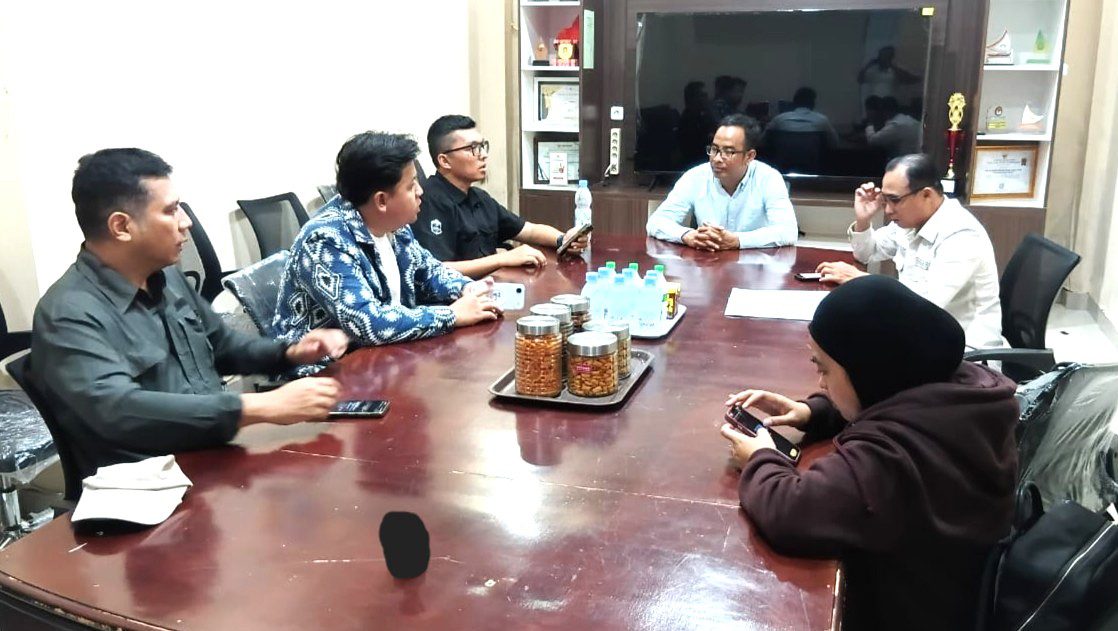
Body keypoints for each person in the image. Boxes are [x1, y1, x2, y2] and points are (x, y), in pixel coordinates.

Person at [718, 275, 1018, 631]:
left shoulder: (892, 457)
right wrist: (814, 412)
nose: (820, 382)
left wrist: (759, 458)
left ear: (868, 372)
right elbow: (889, 401)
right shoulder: (954, 389)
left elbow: (792, 510)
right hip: (948, 591)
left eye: (824, 368)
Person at [31, 148, 348, 482]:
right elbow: (118, 409)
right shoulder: (68, 313)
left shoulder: (166, 277)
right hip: (147, 488)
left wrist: (290, 353)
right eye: (171, 211)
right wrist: (260, 407)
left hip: (215, 458)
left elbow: (223, 346)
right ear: (121, 226)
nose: (186, 222)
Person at [274, 131, 501, 363]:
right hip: (323, 370)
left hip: (382, 357)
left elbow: (428, 271)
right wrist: (452, 314)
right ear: (381, 200)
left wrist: (466, 289)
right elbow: (368, 323)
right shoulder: (325, 240)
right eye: (411, 186)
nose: (420, 192)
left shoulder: (394, 224)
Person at [815, 153, 1003, 348]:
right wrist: (863, 220)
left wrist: (861, 280)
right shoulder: (911, 222)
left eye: (895, 200)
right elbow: (867, 253)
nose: (888, 210)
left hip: (963, 350)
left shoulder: (961, 234)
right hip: (919, 332)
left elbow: (926, 304)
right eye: (885, 200)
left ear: (926, 195)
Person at [413, 115, 589, 278]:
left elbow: (528, 230)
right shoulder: (427, 201)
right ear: (444, 161)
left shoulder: (478, 197)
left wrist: (563, 240)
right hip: (459, 295)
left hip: (492, 287)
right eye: (472, 148)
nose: (483, 155)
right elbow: (437, 269)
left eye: (482, 146)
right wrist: (502, 259)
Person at [646, 114, 798, 251]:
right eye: (714, 149)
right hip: (707, 263)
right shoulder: (695, 177)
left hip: (754, 264)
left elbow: (788, 232)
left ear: (749, 156)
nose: (717, 158)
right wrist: (687, 235)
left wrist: (737, 240)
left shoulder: (769, 178)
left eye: (729, 152)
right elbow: (656, 222)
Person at [763, 87, 840, 148]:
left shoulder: (779, 119)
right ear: (813, 103)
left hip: (782, 162)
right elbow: (835, 144)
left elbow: (762, 141)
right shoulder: (822, 120)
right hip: (813, 162)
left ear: (794, 103)